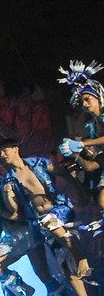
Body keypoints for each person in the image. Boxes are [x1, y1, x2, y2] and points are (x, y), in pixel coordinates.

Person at [0, 139, 95, 296]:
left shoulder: (38, 163)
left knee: (50, 222)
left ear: (15, 149)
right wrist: (8, 194)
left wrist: (79, 191)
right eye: (0, 153)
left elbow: (63, 172)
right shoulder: (8, 180)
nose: (2, 155)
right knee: (64, 262)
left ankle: (81, 258)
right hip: (40, 221)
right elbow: (15, 211)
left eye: (5, 151)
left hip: (58, 211)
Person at [58, 60, 104, 229]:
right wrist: (76, 150)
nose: (84, 105)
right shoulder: (93, 124)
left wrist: (84, 144)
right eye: (81, 102)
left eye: (87, 99)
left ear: (98, 96)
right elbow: (94, 158)